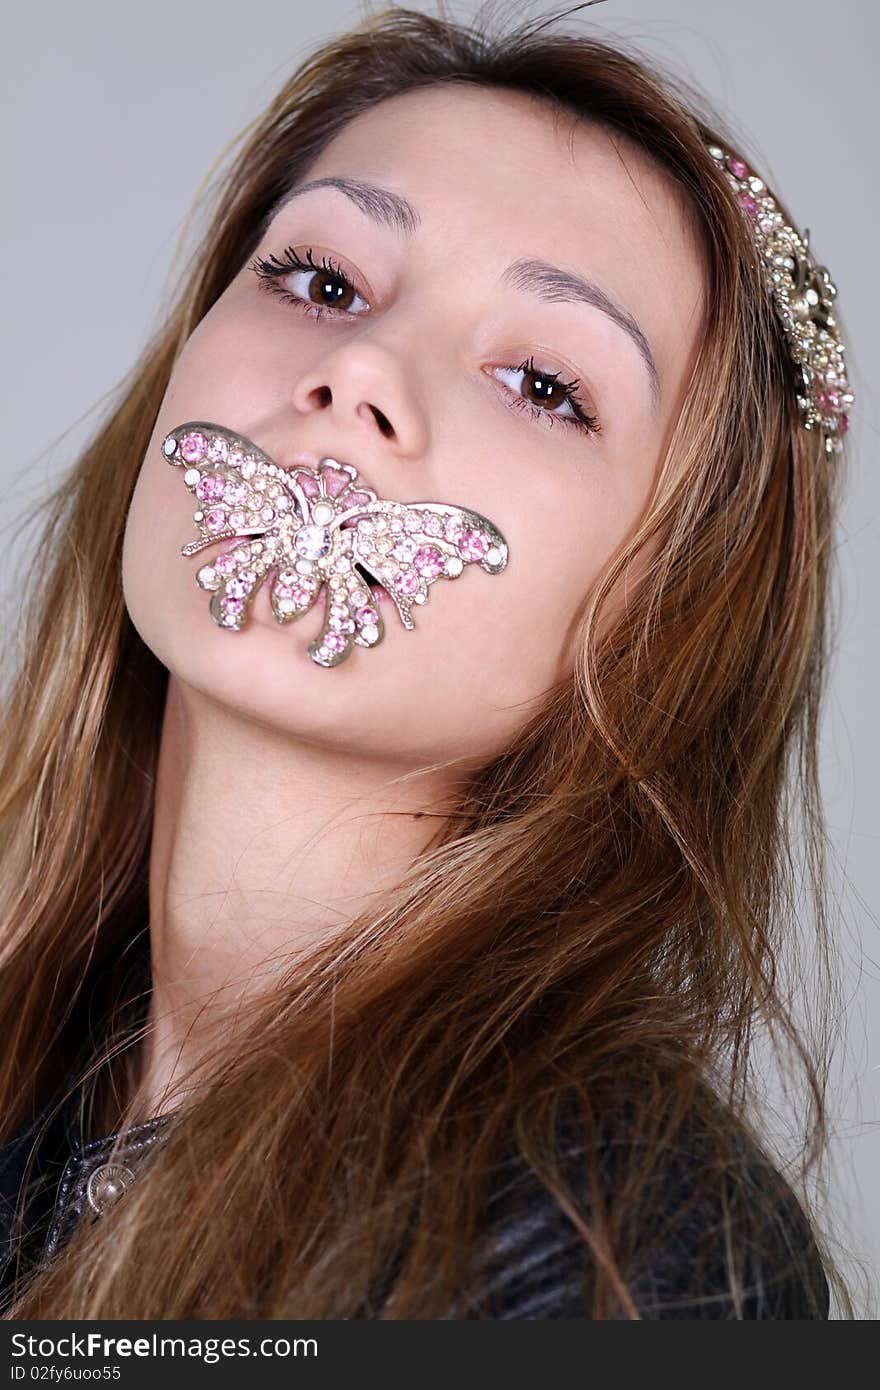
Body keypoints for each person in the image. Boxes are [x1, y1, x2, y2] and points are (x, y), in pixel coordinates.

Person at [0, 2, 855, 1318]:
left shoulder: (631, 1258)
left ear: (665, 614)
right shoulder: (44, 1072)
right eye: (321, 280)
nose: (358, 371)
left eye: (546, 385)